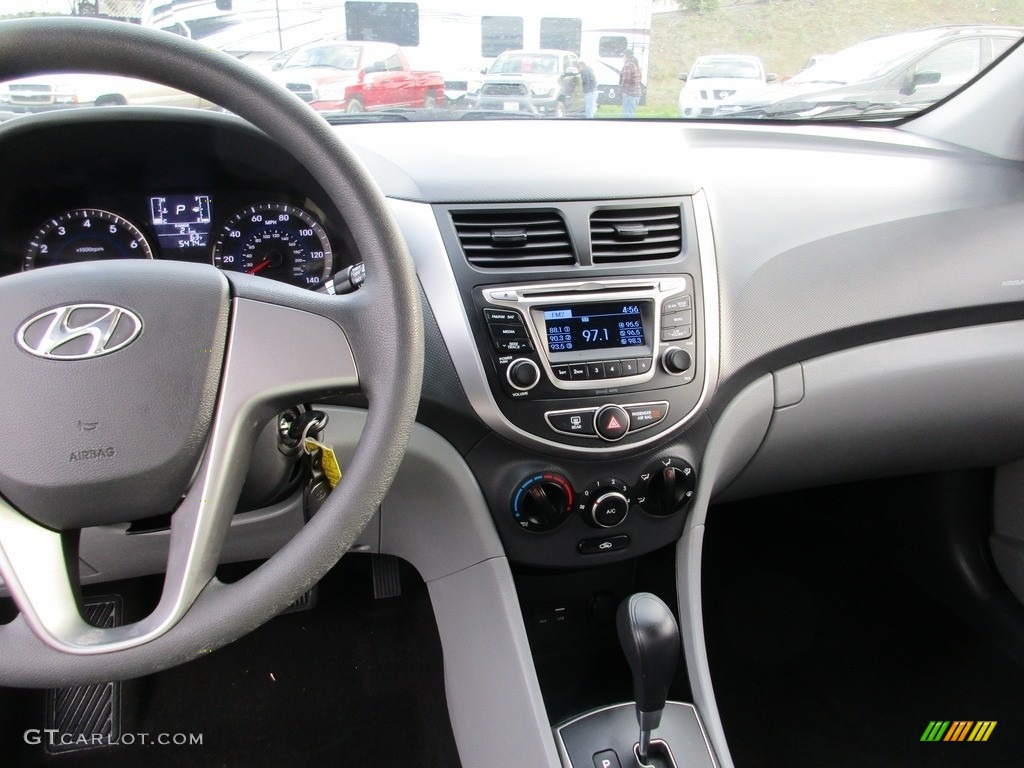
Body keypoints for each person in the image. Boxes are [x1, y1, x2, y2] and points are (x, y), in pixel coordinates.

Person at [619, 50, 641, 117]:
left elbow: (626, 79)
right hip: (636, 94)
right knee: (631, 114)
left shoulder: (628, 65)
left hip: (629, 94)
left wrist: (624, 91)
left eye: (623, 56)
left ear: (625, 56)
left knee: (626, 115)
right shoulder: (636, 64)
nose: (622, 58)